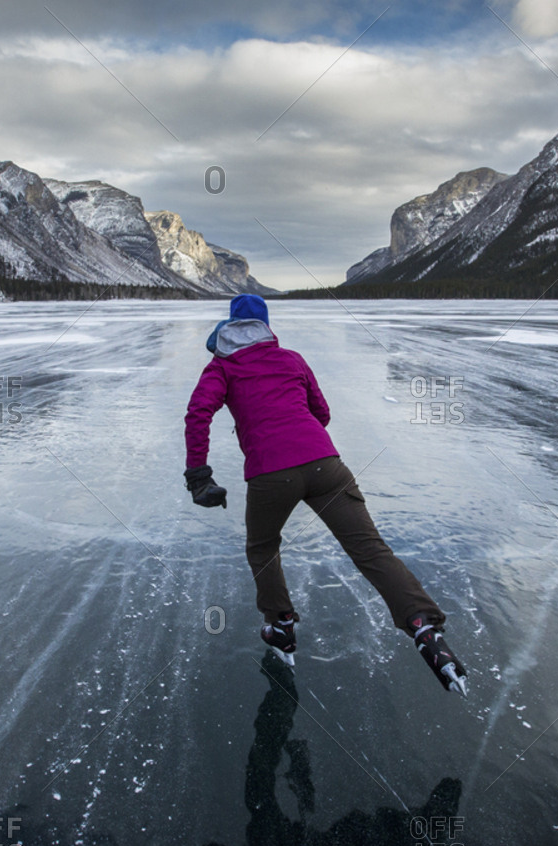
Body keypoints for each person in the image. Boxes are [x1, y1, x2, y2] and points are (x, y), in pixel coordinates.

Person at [183, 293, 468, 695]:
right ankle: (423, 625)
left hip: (270, 474)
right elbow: (322, 413)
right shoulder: (291, 359)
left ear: (229, 327)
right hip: (325, 465)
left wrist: (198, 475)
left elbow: (198, 413)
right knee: (371, 549)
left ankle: (280, 625)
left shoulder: (222, 366)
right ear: (266, 327)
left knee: (263, 548)